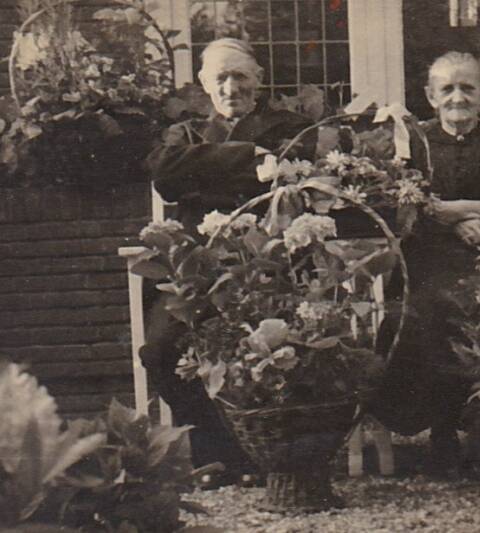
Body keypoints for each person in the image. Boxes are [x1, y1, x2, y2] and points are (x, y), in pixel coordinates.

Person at [141, 38, 316, 486]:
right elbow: (166, 176)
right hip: (197, 268)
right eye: (220, 78)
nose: (231, 87)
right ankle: (215, 453)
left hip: (270, 263)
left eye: (240, 76)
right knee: (161, 348)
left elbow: (295, 163)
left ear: (259, 80)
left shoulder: (289, 126)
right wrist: (247, 155)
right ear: (204, 84)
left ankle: (266, 454)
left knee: (273, 343)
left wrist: (205, 170)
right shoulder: (186, 131)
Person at [370, 51, 480, 479]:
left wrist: (472, 212)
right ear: (431, 96)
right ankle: (442, 430)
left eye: (468, 88)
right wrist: (455, 220)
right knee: (429, 306)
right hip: (428, 253)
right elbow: (405, 203)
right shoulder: (416, 141)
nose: (458, 97)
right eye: (447, 89)